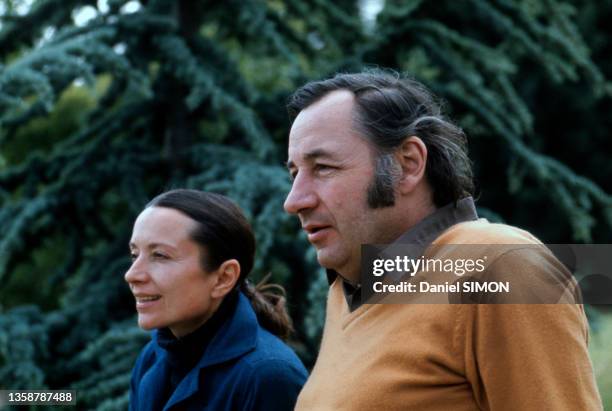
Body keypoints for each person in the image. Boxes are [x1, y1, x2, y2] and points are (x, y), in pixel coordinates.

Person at [284, 70, 603, 410]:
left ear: (407, 164)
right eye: (294, 173)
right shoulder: (349, 287)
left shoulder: (499, 264)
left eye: (323, 168)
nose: (294, 200)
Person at [125, 189, 307, 411]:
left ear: (223, 277)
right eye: (135, 255)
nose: (132, 274)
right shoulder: (152, 357)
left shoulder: (268, 377)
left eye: (160, 256)